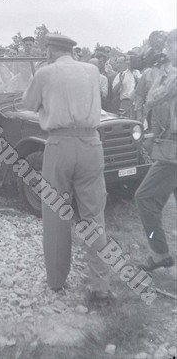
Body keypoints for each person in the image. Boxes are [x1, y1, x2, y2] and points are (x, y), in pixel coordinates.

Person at [23, 33, 113, 305]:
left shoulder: (45, 73)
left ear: (49, 51)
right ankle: (101, 286)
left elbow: (27, 105)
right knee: (94, 217)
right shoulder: (92, 69)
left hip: (60, 143)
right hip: (90, 143)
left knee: (55, 214)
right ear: (72, 51)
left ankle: (57, 281)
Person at [135, 46, 177, 271]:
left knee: (144, 198)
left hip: (174, 152)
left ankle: (160, 254)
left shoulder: (173, 78)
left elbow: (151, 100)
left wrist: (160, 76)